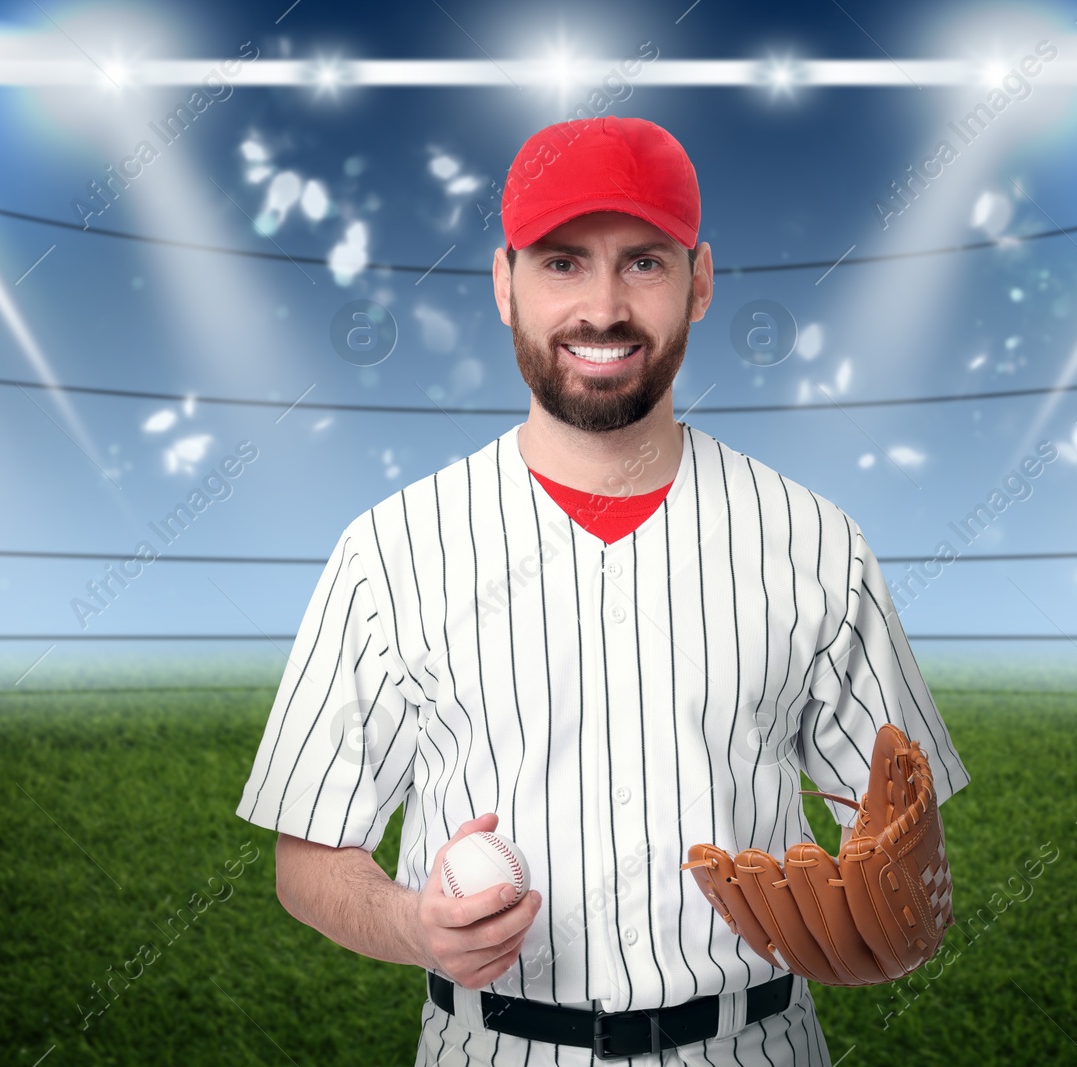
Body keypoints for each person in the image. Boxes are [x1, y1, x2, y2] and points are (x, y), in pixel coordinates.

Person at [234, 115, 971, 1065]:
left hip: (753, 1045)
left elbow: (894, 816)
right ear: (504, 284)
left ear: (699, 281)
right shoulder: (391, 549)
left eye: (645, 263)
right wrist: (415, 925)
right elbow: (309, 861)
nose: (604, 306)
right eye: (562, 263)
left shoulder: (814, 540)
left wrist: (896, 910)